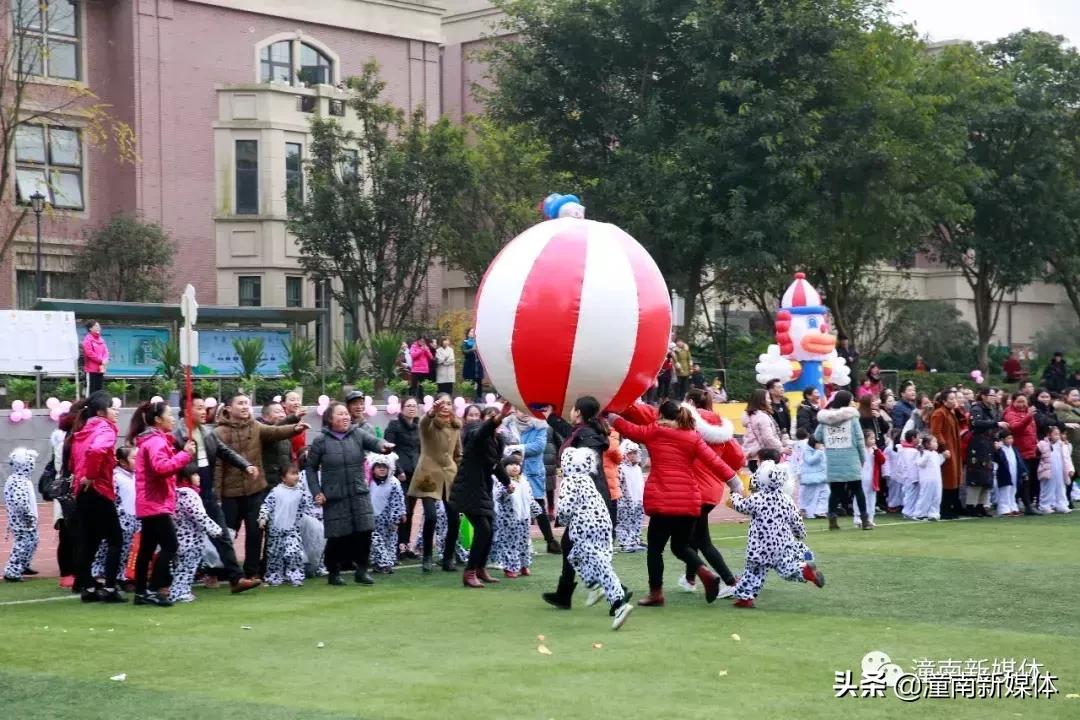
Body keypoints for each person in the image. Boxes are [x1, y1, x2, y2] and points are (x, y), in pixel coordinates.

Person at [609, 400, 738, 606]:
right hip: (689, 500)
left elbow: (630, 430)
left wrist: (612, 417)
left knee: (655, 549)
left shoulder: (654, 431)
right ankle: (704, 573)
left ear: (660, 414)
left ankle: (656, 593)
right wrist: (735, 482)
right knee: (680, 546)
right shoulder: (693, 437)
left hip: (663, 499)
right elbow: (714, 461)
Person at [214, 392, 308, 579]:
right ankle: (220, 572)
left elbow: (275, 431)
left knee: (255, 532)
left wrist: (295, 428)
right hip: (229, 492)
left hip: (255, 489)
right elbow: (218, 466)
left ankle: (252, 573)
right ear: (228, 408)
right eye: (239, 403)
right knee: (228, 533)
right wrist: (216, 495)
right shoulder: (219, 433)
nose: (244, 407)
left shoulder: (255, 427)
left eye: (247, 404)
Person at [174, 393, 260, 594]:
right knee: (177, 541)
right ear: (187, 411)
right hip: (185, 493)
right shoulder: (176, 434)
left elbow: (225, 451)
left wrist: (245, 465)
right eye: (199, 408)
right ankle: (162, 582)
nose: (204, 412)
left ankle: (235, 578)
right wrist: (189, 471)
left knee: (221, 534)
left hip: (206, 490)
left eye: (205, 408)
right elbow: (172, 458)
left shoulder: (207, 432)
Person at [542, 447, 634, 631]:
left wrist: (563, 519)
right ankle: (594, 585)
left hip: (584, 527)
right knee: (575, 556)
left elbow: (565, 510)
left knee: (600, 565)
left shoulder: (570, 481)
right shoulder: (587, 480)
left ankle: (619, 604)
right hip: (603, 524)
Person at [306, 402, 392, 586]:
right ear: (330, 419)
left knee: (365, 531)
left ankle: (362, 570)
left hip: (358, 492)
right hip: (335, 495)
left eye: (346, 414)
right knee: (338, 536)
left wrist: (384, 445)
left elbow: (374, 442)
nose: (345, 417)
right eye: (340, 414)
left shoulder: (357, 434)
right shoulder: (321, 440)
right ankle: (334, 571)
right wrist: (317, 492)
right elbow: (310, 469)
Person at [728, 454, 826, 608]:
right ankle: (805, 571)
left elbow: (741, 507)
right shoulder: (786, 499)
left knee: (754, 571)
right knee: (787, 568)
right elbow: (796, 520)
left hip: (760, 546)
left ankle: (745, 598)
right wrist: (800, 534)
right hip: (782, 544)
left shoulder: (757, 498)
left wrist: (734, 495)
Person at [675, 391, 745, 596]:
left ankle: (731, 582)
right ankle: (690, 579)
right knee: (695, 538)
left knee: (699, 542)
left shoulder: (687, 424)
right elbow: (738, 457)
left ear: (690, 403)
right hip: (713, 490)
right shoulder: (721, 426)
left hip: (694, 489)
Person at [130, 400, 194, 607]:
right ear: (158, 419)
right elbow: (161, 468)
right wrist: (185, 455)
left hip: (149, 501)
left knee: (147, 549)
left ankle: (141, 592)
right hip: (155, 502)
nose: (173, 418)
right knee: (170, 545)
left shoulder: (152, 440)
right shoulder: (156, 442)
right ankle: (152, 589)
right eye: (170, 414)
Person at [450, 401, 514, 588]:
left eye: (497, 416)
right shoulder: (474, 434)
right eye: (490, 416)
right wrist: (499, 417)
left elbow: (495, 464)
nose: (495, 419)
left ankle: (479, 568)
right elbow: (481, 432)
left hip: (483, 488)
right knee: (483, 528)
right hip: (468, 487)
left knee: (489, 528)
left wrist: (507, 482)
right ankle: (469, 573)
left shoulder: (497, 440)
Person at [71, 391, 124, 603]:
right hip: (98, 489)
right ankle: (110, 588)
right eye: (112, 407)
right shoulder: (105, 428)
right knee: (115, 539)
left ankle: (89, 588)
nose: (116, 411)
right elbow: (97, 451)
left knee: (89, 541)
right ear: (102, 411)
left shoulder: (84, 430)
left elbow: (77, 458)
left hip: (82, 491)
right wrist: (92, 476)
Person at [410, 395, 463, 573]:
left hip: (449, 474)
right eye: (442, 403)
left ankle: (448, 558)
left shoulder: (456, 426)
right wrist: (431, 412)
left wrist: (460, 471)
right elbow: (423, 423)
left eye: (449, 403)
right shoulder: (429, 424)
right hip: (428, 474)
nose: (446, 406)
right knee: (431, 516)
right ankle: (427, 556)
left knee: (454, 518)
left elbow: (458, 453)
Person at [499, 406, 559, 553]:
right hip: (510, 472)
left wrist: (516, 448)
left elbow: (538, 447)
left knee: (538, 506)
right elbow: (502, 445)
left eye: (527, 410)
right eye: (520, 409)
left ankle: (550, 541)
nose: (524, 413)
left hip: (532, 472)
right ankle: (517, 543)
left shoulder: (540, 425)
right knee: (511, 507)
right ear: (514, 409)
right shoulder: (507, 424)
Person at [814, 390, 869, 530]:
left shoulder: (825, 419)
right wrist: (863, 458)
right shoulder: (852, 418)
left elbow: (817, 436)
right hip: (851, 458)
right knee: (857, 490)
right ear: (846, 402)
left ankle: (832, 520)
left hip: (833, 460)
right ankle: (865, 521)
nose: (852, 403)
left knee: (835, 491)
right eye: (851, 400)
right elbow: (859, 439)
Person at [258, 462, 318, 586]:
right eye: (292, 474)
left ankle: (296, 576)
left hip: (292, 530)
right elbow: (266, 505)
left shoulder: (301, 492)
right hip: (276, 531)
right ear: (283, 477)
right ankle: (274, 577)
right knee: (275, 556)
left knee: (294, 552)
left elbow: (308, 505)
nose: (296, 476)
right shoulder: (276, 492)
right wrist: (263, 517)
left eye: (297, 473)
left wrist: (315, 500)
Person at [170, 469, 225, 603]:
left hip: (180, 537)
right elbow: (199, 515)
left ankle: (179, 591)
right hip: (190, 540)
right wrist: (215, 529)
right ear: (185, 477)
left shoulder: (175, 493)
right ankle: (180, 593)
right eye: (194, 474)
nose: (198, 477)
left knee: (182, 568)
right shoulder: (188, 494)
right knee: (187, 568)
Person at [91, 447, 139, 588]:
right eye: (134, 458)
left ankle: (120, 576)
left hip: (132, 520)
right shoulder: (116, 477)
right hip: (118, 520)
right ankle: (99, 575)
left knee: (126, 550)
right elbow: (112, 500)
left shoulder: (136, 475)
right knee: (108, 549)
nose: (138, 461)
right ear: (123, 462)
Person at [491, 455, 541, 578]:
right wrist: (507, 490)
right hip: (508, 520)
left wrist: (537, 511)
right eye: (511, 464)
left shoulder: (523, 481)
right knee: (509, 543)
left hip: (523, 518)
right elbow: (498, 496)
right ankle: (510, 567)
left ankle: (524, 565)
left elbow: (529, 498)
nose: (515, 467)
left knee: (524, 542)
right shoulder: (502, 482)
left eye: (517, 464)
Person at [385, 397, 421, 558]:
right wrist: (398, 470)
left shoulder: (419, 427)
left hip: (416, 473)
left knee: (411, 510)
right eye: (408, 406)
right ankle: (397, 545)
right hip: (400, 474)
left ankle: (406, 545)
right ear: (402, 408)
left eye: (414, 406)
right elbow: (388, 450)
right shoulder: (394, 426)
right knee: (402, 510)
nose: (411, 408)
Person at [965, 388, 1008, 517]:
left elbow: (992, 428)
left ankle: (981, 505)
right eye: (991, 395)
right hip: (978, 445)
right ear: (983, 396)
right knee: (977, 476)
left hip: (988, 444)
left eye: (995, 396)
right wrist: (996, 423)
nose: (994, 398)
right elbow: (975, 423)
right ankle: (971, 505)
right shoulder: (977, 408)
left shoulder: (992, 410)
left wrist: (996, 439)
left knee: (987, 476)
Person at [365, 453, 406, 574]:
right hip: (371, 517)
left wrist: (395, 519)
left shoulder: (393, 482)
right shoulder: (368, 482)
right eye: (378, 467)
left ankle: (383, 563)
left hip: (388, 518)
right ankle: (384, 562)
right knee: (375, 539)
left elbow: (398, 501)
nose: (382, 469)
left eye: (385, 467)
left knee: (389, 541)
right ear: (373, 469)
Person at [3, 448, 39, 582]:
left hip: (24, 518)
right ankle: (12, 571)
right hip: (22, 519)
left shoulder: (21, 479)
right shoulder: (18, 480)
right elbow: (20, 502)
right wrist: (29, 516)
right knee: (23, 543)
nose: (32, 466)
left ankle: (23, 565)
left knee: (33, 540)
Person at [929, 390, 964, 520]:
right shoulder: (939, 413)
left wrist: (959, 411)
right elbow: (936, 432)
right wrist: (943, 447)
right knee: (948, 479)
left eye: (955, 398)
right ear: (944, 401)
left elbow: (964, 422)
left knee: (954, 478)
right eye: (951, 399)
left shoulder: (951, 412)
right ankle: (945, 509)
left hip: (954, 449)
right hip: (947, 450)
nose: (954, 401)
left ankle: (952, 508)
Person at [1003, 393, 1040, 514]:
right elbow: (1016, 428)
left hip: (1031, 451)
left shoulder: (1027, 413)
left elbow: (1032, 431)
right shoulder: (1010, 414)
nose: (1022, 404)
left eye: (1024, 402)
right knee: (1023, 479)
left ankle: (1027, 504)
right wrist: (1028, 416)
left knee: (1029, 479)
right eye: (1019, 402)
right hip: (1019, 451)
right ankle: (1026, 505)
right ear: (1012, 402)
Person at [615, 440, 645, 552]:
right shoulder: (621, 468)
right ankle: (625, 542)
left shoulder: (637, 469)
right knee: (623, 523)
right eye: (630, 453)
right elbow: (618, 484)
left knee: (636, 521)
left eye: (635, 453)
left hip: (638, 501)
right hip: (625, 502)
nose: (633, 456)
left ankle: (635, 540)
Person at [743, 388, 784, 468]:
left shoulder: (750, 416)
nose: (770, 401)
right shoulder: (762, 417)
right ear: (762, 401)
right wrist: (781, 448)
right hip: (763, 457)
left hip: (752, 456)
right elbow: (768, 438)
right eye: (768, 398)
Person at [1036, 426, 1073, 514]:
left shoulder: (1062, 445)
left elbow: (1067, 458)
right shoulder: (1043, 444)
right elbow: (1037, 451)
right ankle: (1045, 506)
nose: (1058, 436)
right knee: (1047, 488)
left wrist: (1070, 469)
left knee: (1061, 488)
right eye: (1055, 434)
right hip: (1048, 470)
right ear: (1049, 435)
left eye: (1058, 434)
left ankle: (1061, 505)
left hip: (1060, 470)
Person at [259, 401, 295, 492]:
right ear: (265, 417)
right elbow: (274, 432)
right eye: (277, 412)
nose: (282, 415)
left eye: (282, 412)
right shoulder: (261, 431)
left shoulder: (286, 433)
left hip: (284, 482)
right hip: (267, 484)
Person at [1055, 388, 1080, 510]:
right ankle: (1066, 498)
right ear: (1066, 396)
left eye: (1078, 395)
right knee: (1070, 473)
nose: (1076, 397)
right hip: (1069, 446)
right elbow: (1064, 419)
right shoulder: (1062, 408)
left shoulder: (1076, 409)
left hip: (1078, 446)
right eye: (1074, 395)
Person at [855, 431, 885, 530]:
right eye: (871, 438)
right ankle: (858, 518)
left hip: (872, 479)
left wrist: (877, 450)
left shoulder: (874, 450)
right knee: (860, 497)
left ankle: (870, 519)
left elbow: (882, 460)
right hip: (861, 477)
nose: (873, 440)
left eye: (874, 438)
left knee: (872, 499)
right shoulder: (860, 450)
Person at [913, 436, 946, 521]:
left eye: (936, 442)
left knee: (936, 497)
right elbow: (920, 463)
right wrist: (926, 455)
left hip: (936, 479)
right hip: (927, 479)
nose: (936, 444)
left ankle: (933, 514)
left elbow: (938, 462)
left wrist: (943, 456)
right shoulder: (923, 453)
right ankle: (919, 514)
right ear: (927, 444)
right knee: (925, 496)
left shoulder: (935, 453)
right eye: (934, 442)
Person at [994, 431, 1025, 517]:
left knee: (1013, 490)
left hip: (1014, 472)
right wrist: (998, 449)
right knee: (1005, 490)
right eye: (1008, 438)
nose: (1010, 440)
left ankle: (1013, 507)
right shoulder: (1000, 449)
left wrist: (1023, 471)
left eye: (1011, 438)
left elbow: (1019, 460)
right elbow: (999, 459)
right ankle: (1004, 509)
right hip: (1004, 473)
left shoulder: (1014, 449)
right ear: (1002, 439)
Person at [798, 434, 829, 519]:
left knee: (826, 493)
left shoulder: (820, 450)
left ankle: (820, 511)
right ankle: (805, 511)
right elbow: (810, 460)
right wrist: (819, 451)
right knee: (809, 497)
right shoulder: (807, 450)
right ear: (813, 443)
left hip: (821, 477)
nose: (820, 444)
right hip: (811, 478)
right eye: (818, 443)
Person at [896, 429, 921, 520]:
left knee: (910, 494)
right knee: (911, 494)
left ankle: (910, 511)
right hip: (910, 477)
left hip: (907, 476)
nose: (919, 439)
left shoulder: (907, 450)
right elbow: (911, 467)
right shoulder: (910, 451)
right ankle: (908, 512)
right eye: (918, 437)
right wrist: (914, 478)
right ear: (913, 438)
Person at [81, 320, 109, 395]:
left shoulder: (101, 340)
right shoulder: (87, 339)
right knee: (91, 389)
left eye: (99, 326)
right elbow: (89, 353)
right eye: (96, 326)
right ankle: (89, 405)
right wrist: (101, 360)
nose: (98, 328)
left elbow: (105, 351)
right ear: (90, 328)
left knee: (99, 389)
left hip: (100, 369)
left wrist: (105, 359)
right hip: (91, 370)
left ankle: (98, 405)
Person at [461, 328, 485, 401]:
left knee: (479, 382)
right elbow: (464, 352)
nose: (473, 333)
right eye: (471, 331)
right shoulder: (465, 342)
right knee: (469, 382)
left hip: (478, 366)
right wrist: (472, 349)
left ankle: (479, 397)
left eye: (474, 332)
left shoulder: (478, 342)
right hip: (469, 366)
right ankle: (469, 398)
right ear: (468, 333)